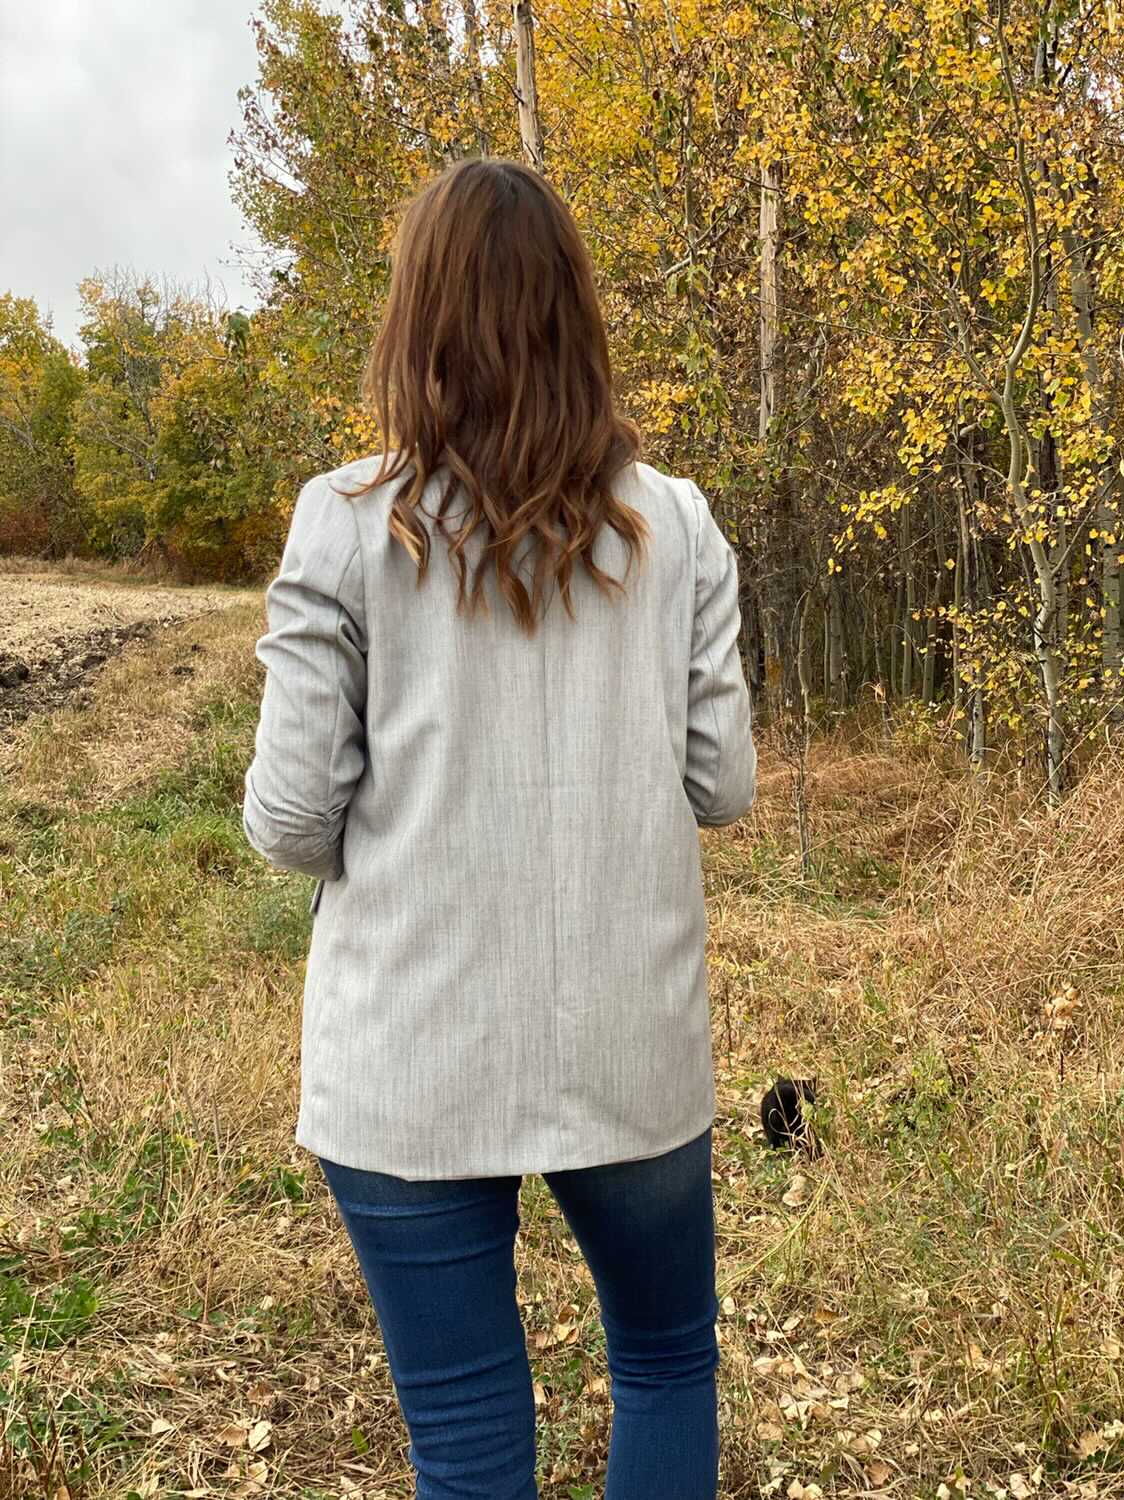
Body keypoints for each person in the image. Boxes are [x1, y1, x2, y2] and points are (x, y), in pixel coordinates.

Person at [242, 156, 756, 1500]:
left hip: (409, 1052)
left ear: (415, 318)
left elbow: (291, 822)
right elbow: (724, 782)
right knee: (662, 1364)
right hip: (625, 1039)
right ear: (577, 319)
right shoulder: (679, 526)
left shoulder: (343, 525)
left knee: (467, 1434)